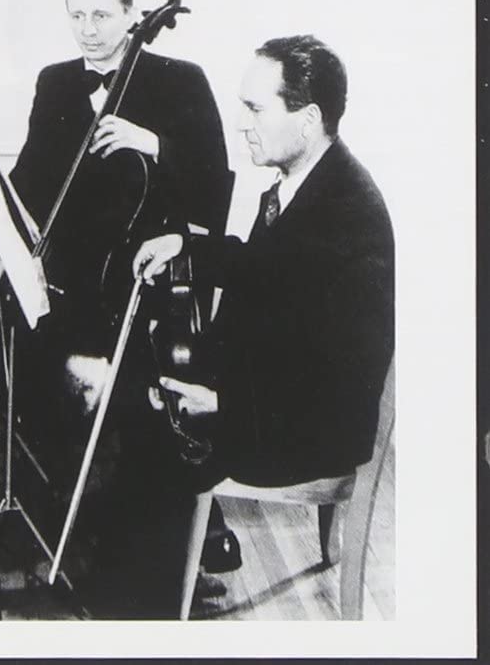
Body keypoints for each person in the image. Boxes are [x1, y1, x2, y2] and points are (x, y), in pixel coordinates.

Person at [0, 0, 230, 517]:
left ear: (131, 15)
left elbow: (213, 186)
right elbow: (31, 176)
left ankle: (103, 487)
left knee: (60, 342)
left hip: (135, 270)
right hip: (61, 259)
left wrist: (154, 144)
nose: (88, 30)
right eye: (77, 16)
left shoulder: (181, 79)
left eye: (101, 15)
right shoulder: (55, 81)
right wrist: (4, 244)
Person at [125, 34, 395, 616]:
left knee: (150, 426)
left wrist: (222, 403)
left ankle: (148, 608)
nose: (241, 124)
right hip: (273, 387)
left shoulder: (348, 214)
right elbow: (265, 266)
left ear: (308, 119)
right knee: (143, 378)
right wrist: (186, 245)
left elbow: (342, 378)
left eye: (255, 109)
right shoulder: (311, 182)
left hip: (302, 426)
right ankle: (171, 554)